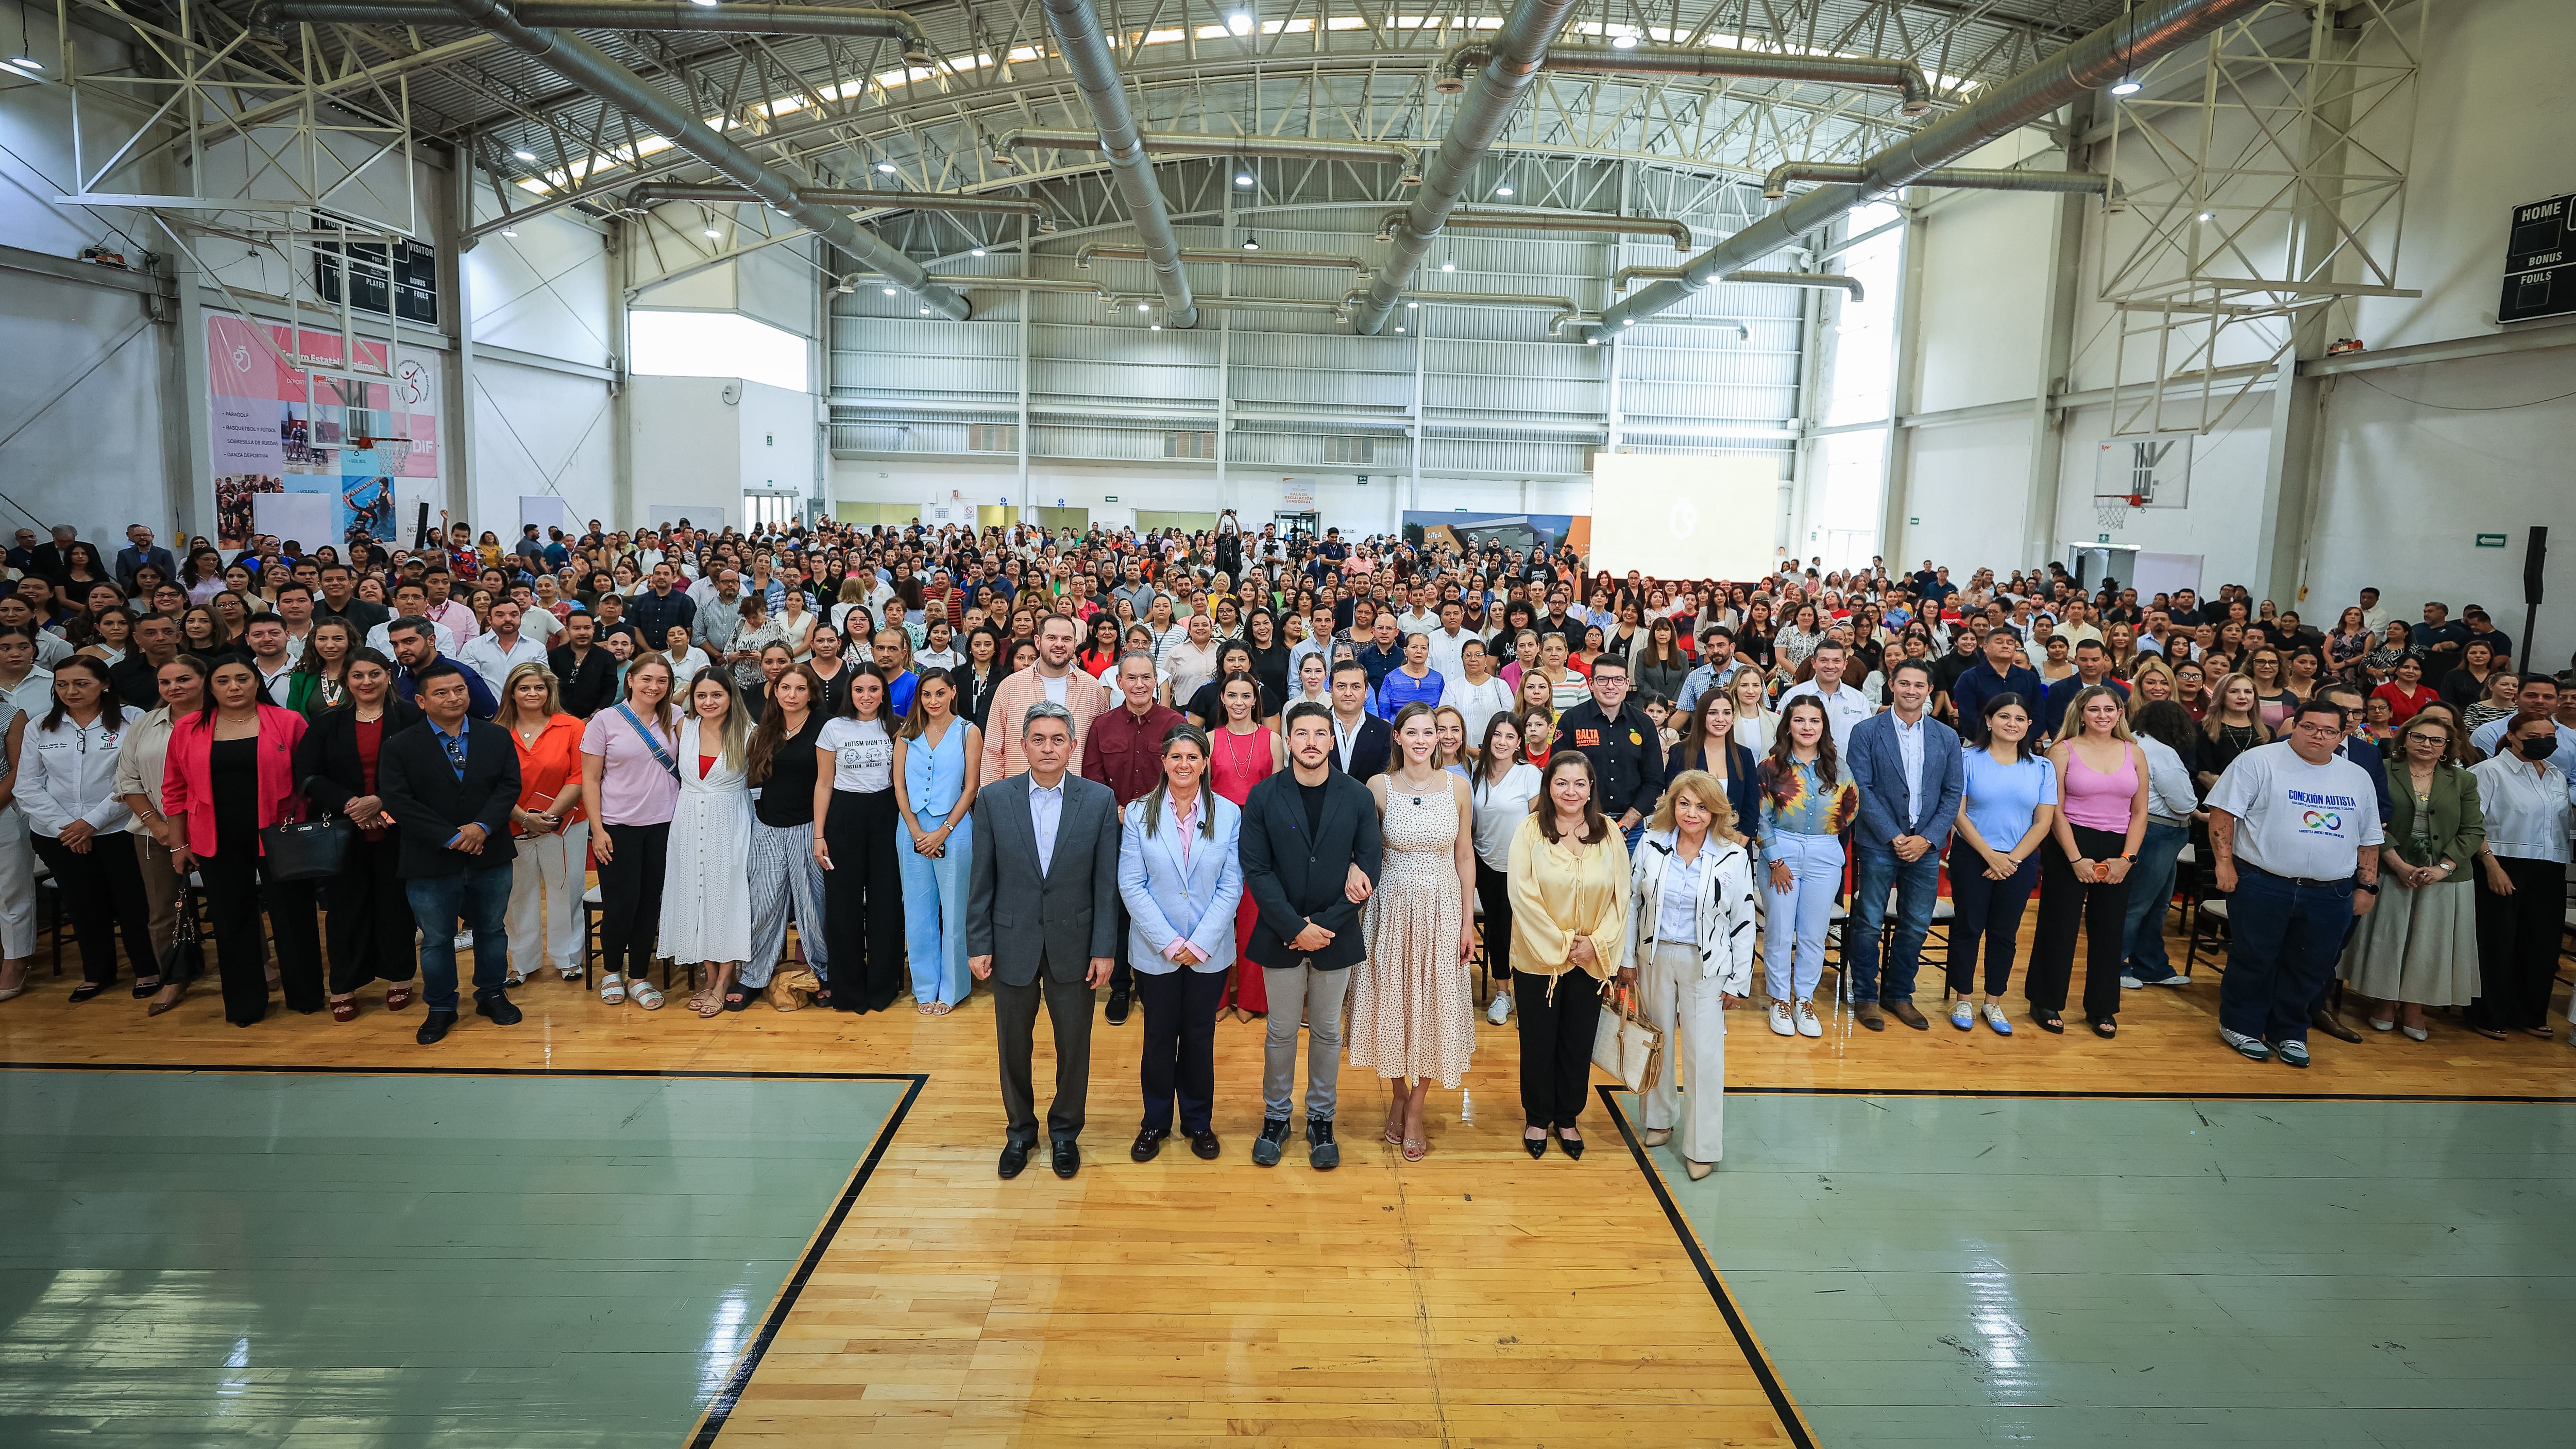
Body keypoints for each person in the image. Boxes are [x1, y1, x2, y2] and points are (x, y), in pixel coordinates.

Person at [967, 702, 1120, 1181]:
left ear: (1073, 745)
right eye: (1039, 739)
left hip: (1075, 944)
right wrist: (978, 941)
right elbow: (982, 879)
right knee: (1014, 1044)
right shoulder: (994, 799)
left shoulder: (1097, 800)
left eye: (1058, 739)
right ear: (1023, 745)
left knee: (1074, 1045)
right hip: (1011, 942)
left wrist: (1104, 947)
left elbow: (1105, 884)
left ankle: (1065, 1133)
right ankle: (1020, 1131)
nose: (1048, 747)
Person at [1238, 700, 1382, 1170]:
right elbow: (1256, 870)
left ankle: (1322, 1117)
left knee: (1326, 1030)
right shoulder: (1263, 796)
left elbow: (1369, 865)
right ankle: (1277, 1116)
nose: (1312, 742)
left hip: (1336, 933)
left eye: (1322, 733)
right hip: (1281, 932)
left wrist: (1326, 925)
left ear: (1332, 739)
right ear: (1289, 740)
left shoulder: (1358, 796)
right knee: (1280, 1032)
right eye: (1302, 733)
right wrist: (1297, 927)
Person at [2205, 698, 2385, 1066]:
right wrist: (2223, 863)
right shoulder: (2259, 761)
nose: (2318, 735)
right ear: (2294, 725)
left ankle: (2289, 1031)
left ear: (2342, 734)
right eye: (2309, 727)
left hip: (2331, 890)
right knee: (2254, 959)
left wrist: (2367, 886)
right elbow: (2223, 813)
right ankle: (2241, 1025)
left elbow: (2369, 838)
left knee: (2312, 966)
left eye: (2329, 730)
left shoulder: (2357, 776)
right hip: (2263, 882)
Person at [376, 658, 522, 1044]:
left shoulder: (496, 736)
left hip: (489, 852)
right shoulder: (400, 746)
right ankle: (441, 1006)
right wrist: (450, 836)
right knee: (437, 938)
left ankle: (492, 993)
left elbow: (508, 787)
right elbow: (398, 801)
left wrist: (481, 827)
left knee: (492, 930)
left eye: (459, 689)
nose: (454, 697)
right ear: (422, 701)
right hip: (430, 858)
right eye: (441, 693)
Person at [1117, 724, 1244, 1163]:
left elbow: (1232, 884)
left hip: (1209, 951)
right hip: (1156, 951)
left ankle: (1197, 1121)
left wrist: (1200, 942)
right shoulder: (1138, 813)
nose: (1184, 764)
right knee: (1157, 1038)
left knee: (1198, 1037)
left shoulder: (1228, 813)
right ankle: (1154, 1121)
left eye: (1193, 757)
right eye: (1176, 757)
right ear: (1164, 762)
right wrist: (1172, 943)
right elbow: (1132, 885)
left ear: (1205, 763)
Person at [1625, 771, 1757, 1181]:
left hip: (1708, 966)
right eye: (1684, 803)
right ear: (1671, 804)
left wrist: (1738, 981)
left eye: (1702, 805)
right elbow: (1631, 904)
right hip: (1653, 958)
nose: (1692, 813)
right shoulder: (1650, 843)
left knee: (1705, 1055)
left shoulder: (1733, 856)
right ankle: (1659, 1119)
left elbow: (1744, 919)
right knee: (1656, 1042)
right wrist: (1626, 959)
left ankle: (1702, 1145)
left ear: (1716, 809)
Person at [1508, 750, 1630, 1159]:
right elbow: (1522, 895)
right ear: (1549, 786)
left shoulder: (1609, 832)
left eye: (1580, 783)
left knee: (1578, 1042)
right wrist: (1562, 944)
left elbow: (1621, 897)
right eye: (1562, 783)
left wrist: (1594, 944)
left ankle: (1568, 1117)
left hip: (1591, 959)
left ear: (1591, 787)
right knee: (1539, 1041)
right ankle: (1538, 1117)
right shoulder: (1529, 830)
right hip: (1538, 958)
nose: (1571, 791)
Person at [294, 647, 422, 1020]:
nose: (366, 682)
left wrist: (381, 803)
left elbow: (425, 773)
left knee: (396, 907)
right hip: (340, 829)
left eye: (374, 674)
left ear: (389, 675)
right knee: (344, 910)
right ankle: (345, 983)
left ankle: (400, 976)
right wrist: (354, 804)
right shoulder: (326, 721)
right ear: (345, 680)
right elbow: (307, 774)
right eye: (358, 676)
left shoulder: (412, 717)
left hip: (397, 830)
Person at [2338, 710, 2483, 1041]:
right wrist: (2398, 863)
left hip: (2444, 875)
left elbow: (2473, 830)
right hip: (2391, 868)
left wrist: (2443, 867)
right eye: (2419, 736)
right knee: (2389, 939)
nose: (2427, 744)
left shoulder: (2463, 780)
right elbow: (2368, 820)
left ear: (2447, 747)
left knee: (2428, 943)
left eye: (2436, 740)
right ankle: (2385, 1001)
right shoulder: (2381, 771)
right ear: (2404, 739)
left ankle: (2415, 1006)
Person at [22, 657, 154, 1004]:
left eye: (81, 683)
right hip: (59, 834)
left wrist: (91, 823)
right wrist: (67, 827)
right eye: (62, 684)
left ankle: (147, 968)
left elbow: (133, 779)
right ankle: (98, 973)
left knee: (131, 902)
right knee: (83, 905)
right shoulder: (40, 725)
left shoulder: (133, 719)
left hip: (119, 829)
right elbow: (28, 785)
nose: (71, 691)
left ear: (104, 684)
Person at [1841, 659, 1963, 1031]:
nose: (1911, 690)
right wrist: (1895, 836)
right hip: (1881, 842)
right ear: (1891, 685)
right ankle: (1865, 996)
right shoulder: (1866, 731)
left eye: (1919, 685)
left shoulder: (1946, 736)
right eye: (1905, 683)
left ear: (1929, 690)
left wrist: (1926, 838)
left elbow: (1953, 792)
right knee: (1868, 922)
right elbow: (1862, 788)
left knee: (1915, 923)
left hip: (1925, 845)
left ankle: (1900, 994)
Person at [2028, 685, 2148, 1037]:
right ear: (2081, 713)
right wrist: (2076, 858)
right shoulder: (2061, 751)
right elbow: (2055, 810)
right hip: (2070, 841)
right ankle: (2045, 1000)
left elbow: (2140, 812)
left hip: (2119, 846)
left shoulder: (2135, 753)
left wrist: (2127, 858)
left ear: (2120, 713)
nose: (2102, 715)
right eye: (2094, 709)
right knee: (2059, 926)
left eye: (2109, 709)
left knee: (2110, 929)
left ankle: (2102, 1007)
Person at [1082, 651, 1187, 1024]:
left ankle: (1156, 980)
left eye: (1146, 677)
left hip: (1165, 829)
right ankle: (1122, 985)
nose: (1140, 684)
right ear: (1119, 682)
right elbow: (1092, 776)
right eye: (1132, 678)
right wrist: (1118, 810)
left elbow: (1185, 772)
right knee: (1120, 905)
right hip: (1116, 830)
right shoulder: (1102, 725)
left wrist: (1150, 810)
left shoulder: (1176, 723)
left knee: (1162, 903)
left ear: (1156, 680)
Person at [1945, 693, 2056, 1033]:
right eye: (2004, 716)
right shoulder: (1967, 759)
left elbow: (2043, 822)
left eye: (2020, 718)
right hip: (1972, 856)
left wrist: (2012, 859)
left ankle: (1993, 1002)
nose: (2012, 723)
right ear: (1989, 720)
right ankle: (1963, 997)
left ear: (2029, 726)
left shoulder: (2042, 766)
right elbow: (1958, 813)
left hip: (2019, 861)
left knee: (2004, 933)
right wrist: (1990, 855)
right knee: (1968, 927)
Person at [580, 654, 681, 1012]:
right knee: (620, 905)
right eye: (647, 679)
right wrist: (597, 829)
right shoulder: (604, 720)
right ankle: (611, 971)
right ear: (631, 680)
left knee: (649, 904)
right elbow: (589, 780)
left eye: (662, 681)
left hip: (664, 826)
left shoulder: (677, 718)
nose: (654, 687)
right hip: (617, 827)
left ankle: (638, 975)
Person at [2464, 711, 2571, 1042]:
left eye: (2550, 737)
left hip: (2551, 865)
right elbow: (2472, 823)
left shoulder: (2556, 774)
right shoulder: (2487, 771)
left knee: (2541, 942)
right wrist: (2491, 865)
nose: (2545, 742)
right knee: (2498, 940)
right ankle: (2488, 1013)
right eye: (2535, 736)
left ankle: (2530, 1012)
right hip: (2502, 862)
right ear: (2512, 736)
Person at [1755, 696, 1855, 1039]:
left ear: (1823, 726)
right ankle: (1780, 999)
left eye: (1814, 721)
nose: (1807, 727)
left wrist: (1826, 839)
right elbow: (1759, 817)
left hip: (1824, 852)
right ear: (1789, 725)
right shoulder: (1771, 766)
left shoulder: (1837, 766)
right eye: (1800, 720)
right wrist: (1776, 859)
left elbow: (1851, 805)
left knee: (1814, 932)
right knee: (1780, 930)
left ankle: (1805, 1000)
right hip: (1780, 847)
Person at [659, 669, 755, 1016]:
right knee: (694, 896)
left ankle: (723, 980)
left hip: (729, 821)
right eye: (701, 696)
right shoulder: (684, 728)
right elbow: (658, 703)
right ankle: (710, 974)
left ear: (731, 697)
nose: (709, 702)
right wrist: (681, 690)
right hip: (687, 821)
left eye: (717, 695)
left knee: (727, 898)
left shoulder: (748, 733)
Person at [815, 666, 904, 1012]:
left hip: (886, 814)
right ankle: (848, 991)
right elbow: (823, 783)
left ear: (884, 692)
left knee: (885, 903)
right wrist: (819, 833)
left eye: (873, 689)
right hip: (843, 816)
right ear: (849, 693)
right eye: (859, 689)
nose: (866, 696)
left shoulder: (897, 726)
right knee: (843, 905)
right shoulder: (833, 728)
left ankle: (882, 988)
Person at [894, 666, 982, 1014]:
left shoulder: (968, 732)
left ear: (953, 693)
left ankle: (954, 988)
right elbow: (899, 786)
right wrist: (917, 832)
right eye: (926, 694)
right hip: (911, 828)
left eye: (940, 693)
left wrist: (943, 830)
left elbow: (972, 786)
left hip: (955, 828)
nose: (933, 700)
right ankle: (925, 988)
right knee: (917, 912)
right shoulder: (905, 733)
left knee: (956, 909)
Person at [495, 662, 588, 990]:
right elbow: (491, 783)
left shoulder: (572, 726)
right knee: (518, 895)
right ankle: (522, 962)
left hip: (565, 824)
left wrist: (548, 818)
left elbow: (580, 776)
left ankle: (568, 959)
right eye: (524, 688)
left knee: (567, 891)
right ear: (512, 692)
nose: (532, 694)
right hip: (512, 825)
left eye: (539, 688)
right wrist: (523, 818)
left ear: (550, 692)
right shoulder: (495, 730)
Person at [742, 663, 831, 1005]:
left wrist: (821, 833)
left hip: (809, 826)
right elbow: (754, 779)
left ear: (811, 693)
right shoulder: (765, 727)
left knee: (814, 907)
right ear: (775, 691)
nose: (791, 695)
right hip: (767, 826)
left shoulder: (826, 726)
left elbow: (827, 781)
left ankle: (822, 973)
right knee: (763, 904)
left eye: (799, 688)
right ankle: (753, 976)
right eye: (785, 688)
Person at [1206, 672, 1282, 1021]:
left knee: (1254, 919)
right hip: (1217, 836)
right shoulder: (1208, 739)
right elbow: (1201, 795)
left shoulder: (1273, 740)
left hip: (1261, 837)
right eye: (1232, 695)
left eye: (1246, 696)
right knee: (1217, 919)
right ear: (1222, 698)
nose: (1239, 702)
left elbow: (1280, 795)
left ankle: (1253, 999)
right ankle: (1216, 997)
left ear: (1256, 700)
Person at [2117, 700, 2205, 991]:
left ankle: (2151, 966)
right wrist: (2195, 806)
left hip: (2153, 831)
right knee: (2141, 903)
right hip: (2159, 831)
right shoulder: (2163, 752)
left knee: (2155, 904)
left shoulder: (2135, 742)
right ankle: (2117, 966)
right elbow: (2183, 803)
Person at [1550, 654, 1666, 853]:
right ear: (1591, 684)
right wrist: (1582, 819)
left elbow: (1654, 781)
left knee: (1627, 884)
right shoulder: (1571, 720)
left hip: (1631, 830)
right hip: (1580, 824)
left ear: (1627, 684)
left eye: (1618, 680)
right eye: (1602, 679)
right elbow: (1558, 776)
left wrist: (1625, 824)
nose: (1610, 686)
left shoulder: (1644, 724)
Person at [1469, 712, 1541, 1027]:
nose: (1502, 742)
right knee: (1498, 930)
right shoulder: (1475, 773)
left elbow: (1538, 824)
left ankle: (1531, 995)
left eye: (1510, 737)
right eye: (1497, 735)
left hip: (1522, 867)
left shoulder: (1529, 775)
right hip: (1485, 862)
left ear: (1519, 743)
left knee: (1523, 931)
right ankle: (1503, 994)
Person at [979, 615, 1103, 780]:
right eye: (1051, 638)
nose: (1059, 644)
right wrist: (993, 799)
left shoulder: (1093, 689)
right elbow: (992, 750)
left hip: (1076, 799)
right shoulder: (1010, 687)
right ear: (1038, 642)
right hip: (1018, 797)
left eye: (1066, 639)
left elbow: (1102, 753)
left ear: (1075, 643)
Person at [1326, 658, 1391, 779]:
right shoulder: (1314, 728)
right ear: (1331, 690)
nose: (1348, 693)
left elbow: (1386, 777)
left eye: (1356, 687)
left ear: (1366, 692)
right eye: (1341, 686)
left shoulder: (1385, 732)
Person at [548, 610, 619, 718]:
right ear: (568, 630)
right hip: (558, 716)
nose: (582, 633)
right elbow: (549, 688)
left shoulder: (606, 657)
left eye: (587, 628)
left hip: (595, 719)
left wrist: (593, 717)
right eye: (576, 628)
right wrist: (561, 714)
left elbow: (610, 690)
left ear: (593, 629)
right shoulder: (554, 656)